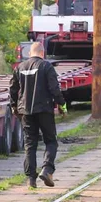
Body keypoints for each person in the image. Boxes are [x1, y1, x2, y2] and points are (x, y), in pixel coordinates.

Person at [9, 41, 65, 188]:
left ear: (29, 53)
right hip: (44, 110)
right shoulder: (47, 66)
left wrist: (14, 106)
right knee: (51, 141)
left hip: (26, 111)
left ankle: (31, 179)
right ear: (42, 53)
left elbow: (13, 89)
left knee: (30, 144)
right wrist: (62, 104)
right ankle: (47, 170)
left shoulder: (19, 67)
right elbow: (54, 88)